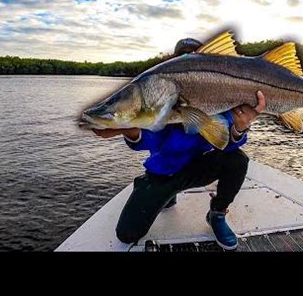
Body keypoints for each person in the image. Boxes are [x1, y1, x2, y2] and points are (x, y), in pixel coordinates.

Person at [92, 38, 266, 250]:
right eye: (185, 59)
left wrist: (239, 128)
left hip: (198, 167)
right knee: (127, 234)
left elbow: (226, 144)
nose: (193, 69)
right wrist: (130, 129)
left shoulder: (219, 98)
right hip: (165, 172)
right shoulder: (157, 97)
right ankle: (162, 193)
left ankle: (217, 214)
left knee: (237, 160)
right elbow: (149, 139)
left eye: (198, 60)